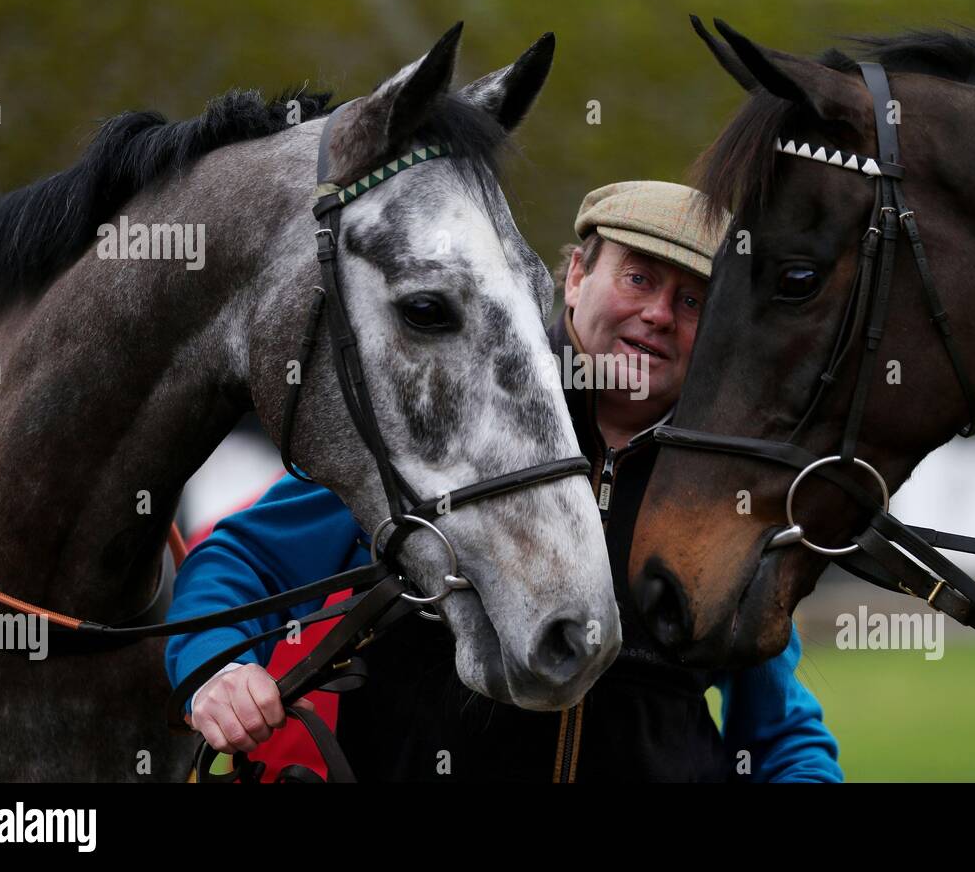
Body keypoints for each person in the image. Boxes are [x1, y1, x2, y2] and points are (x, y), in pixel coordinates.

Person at [165, 180, 842, 782]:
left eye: (693, 299)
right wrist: (216, 671)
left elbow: (781, 733)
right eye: (639, 279)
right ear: (576, 276)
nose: (660, 314)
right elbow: (245, 559)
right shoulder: (443, 415)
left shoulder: (725, 495)